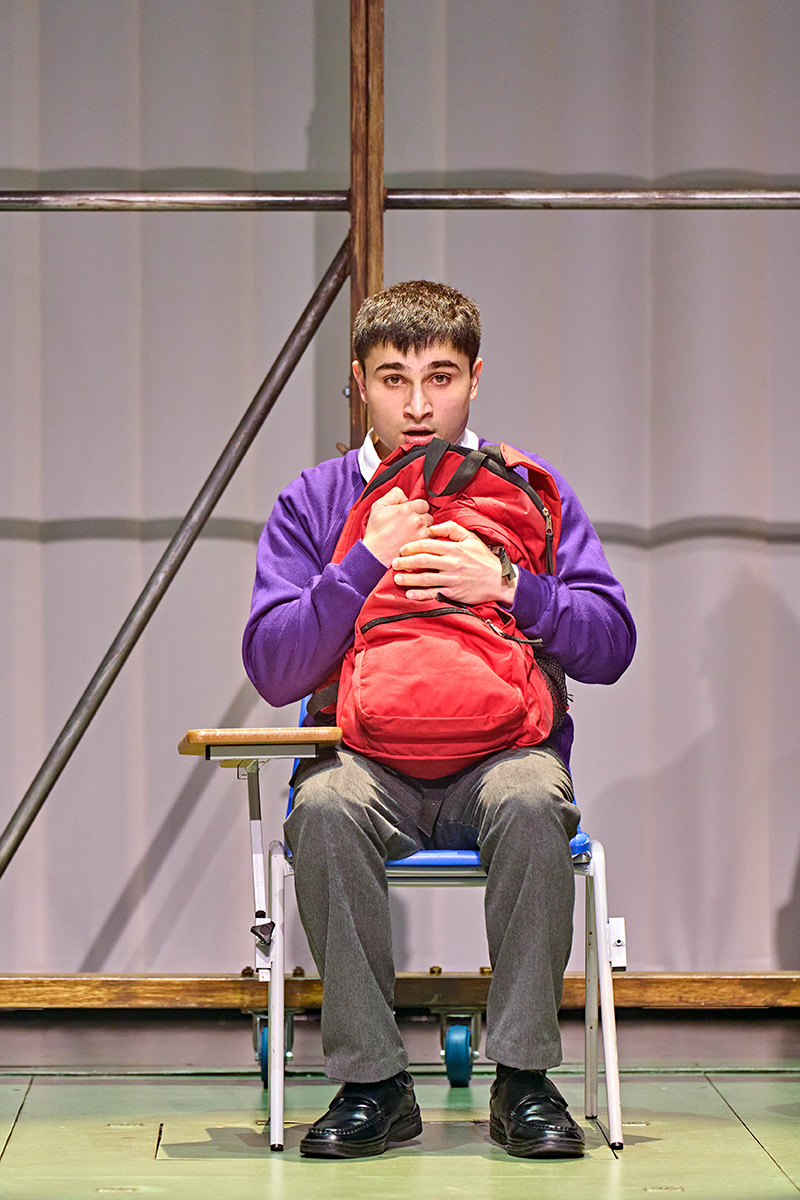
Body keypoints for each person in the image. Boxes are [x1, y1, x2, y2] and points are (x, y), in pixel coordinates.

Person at [243, 280, 636, 1160]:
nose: (418, 407)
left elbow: (611, 643)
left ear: (474, 378)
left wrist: (510, 586)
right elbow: (273, 669)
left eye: (441, 378)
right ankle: (374, 1084)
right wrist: (364, 560)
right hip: (362, 759)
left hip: (500, 757)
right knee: (326, 810)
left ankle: (525, 1082)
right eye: (393, 379)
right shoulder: (313, 503)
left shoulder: (531, 491)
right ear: (358, 383)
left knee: (537, 798)